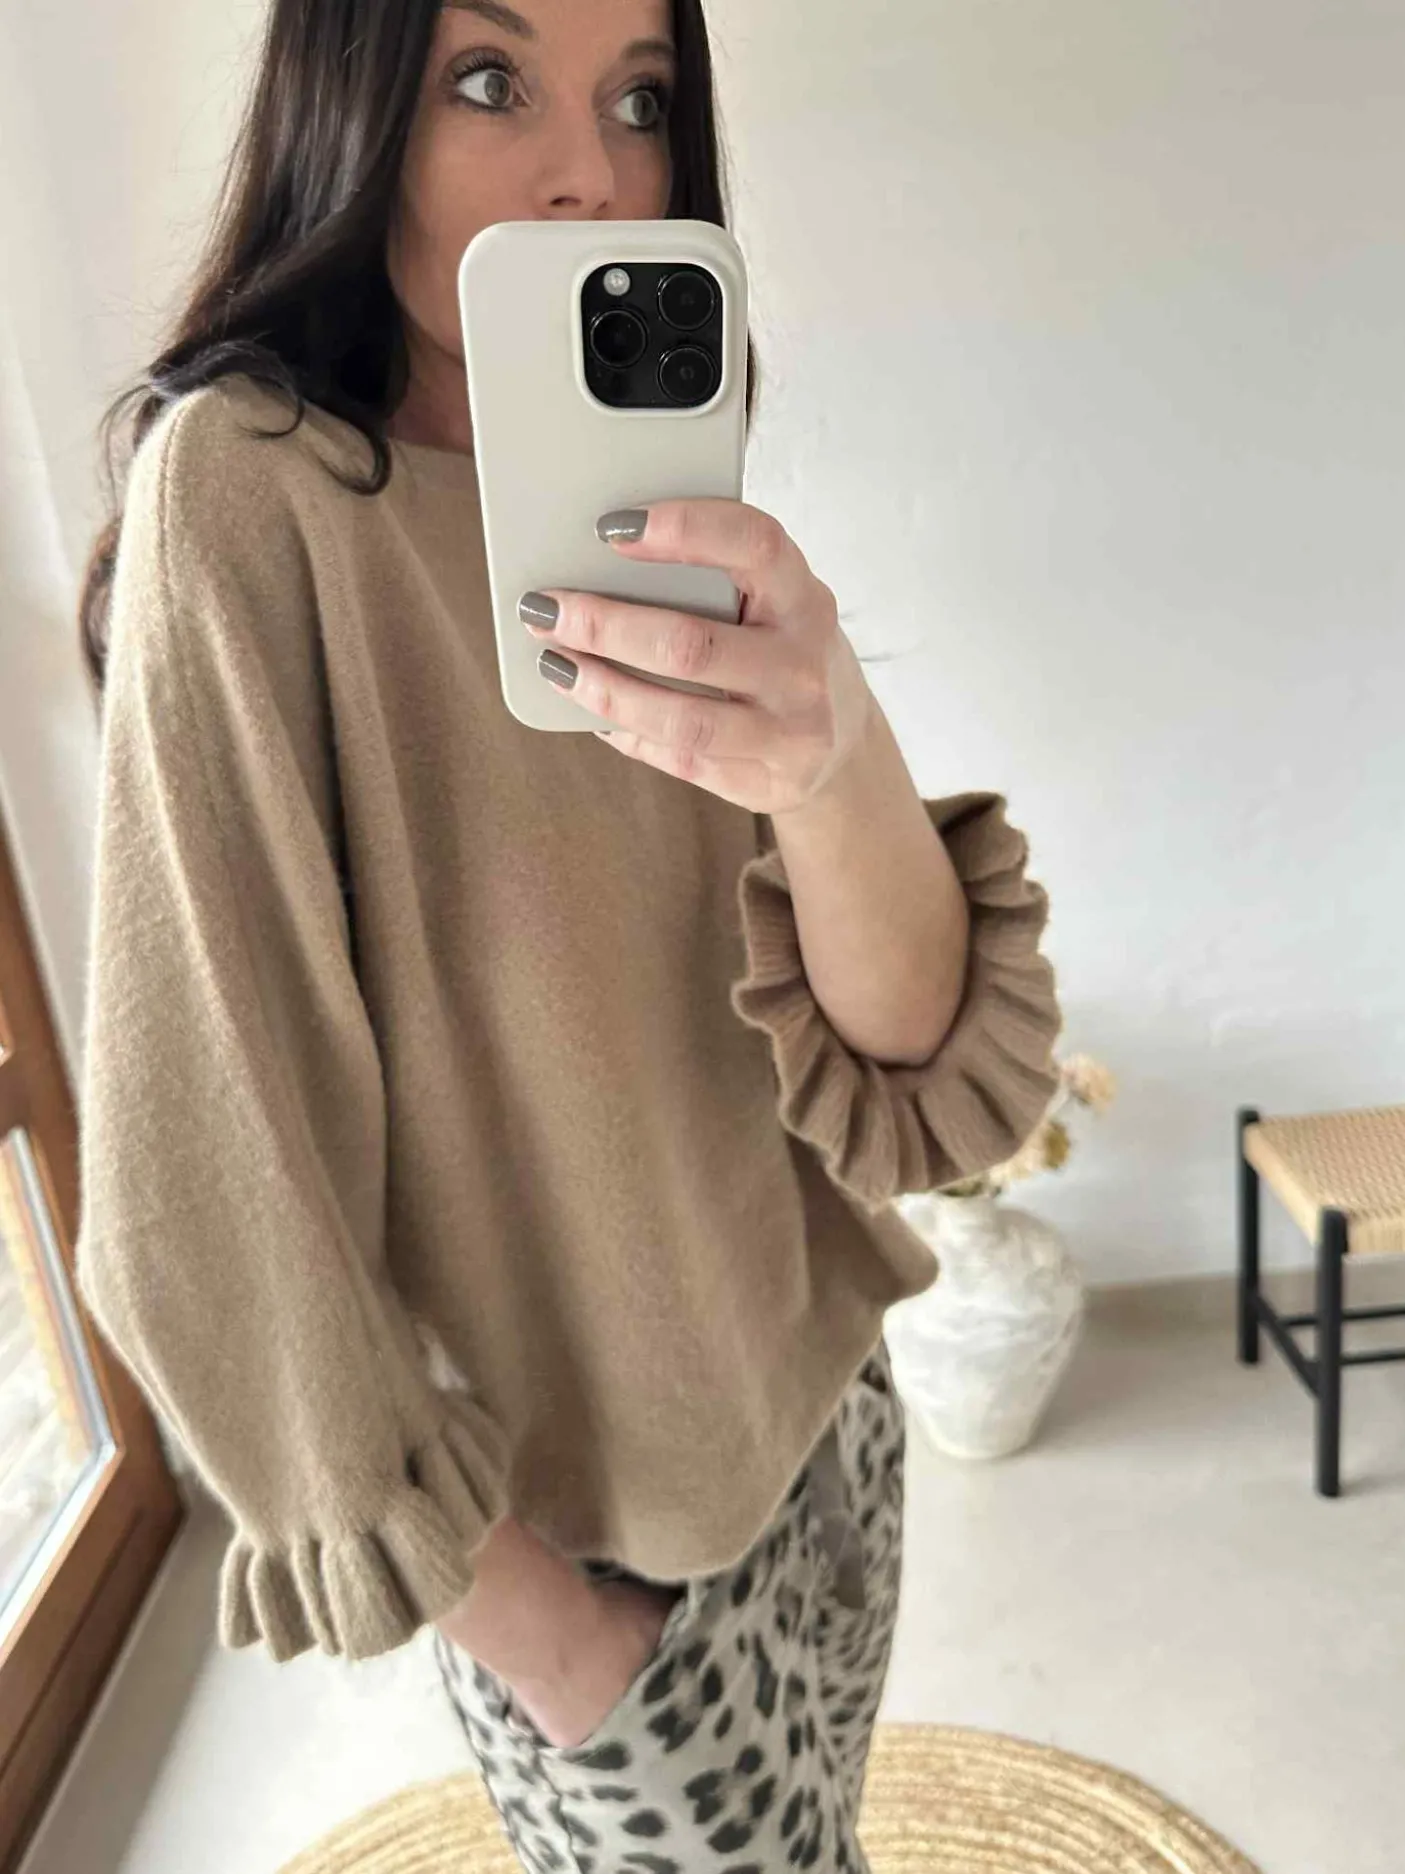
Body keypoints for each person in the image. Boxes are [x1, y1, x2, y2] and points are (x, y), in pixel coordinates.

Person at [73, 1, 1063, 1867]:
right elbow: (201, 1173)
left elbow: (925, 1072)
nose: (591, 175)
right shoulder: (251, 495)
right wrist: (549, 1637)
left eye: (642, 98)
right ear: (355, 102)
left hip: (826, 1419)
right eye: (489, 80)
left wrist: (831, 745)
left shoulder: (637, 486)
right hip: (599, 1559)